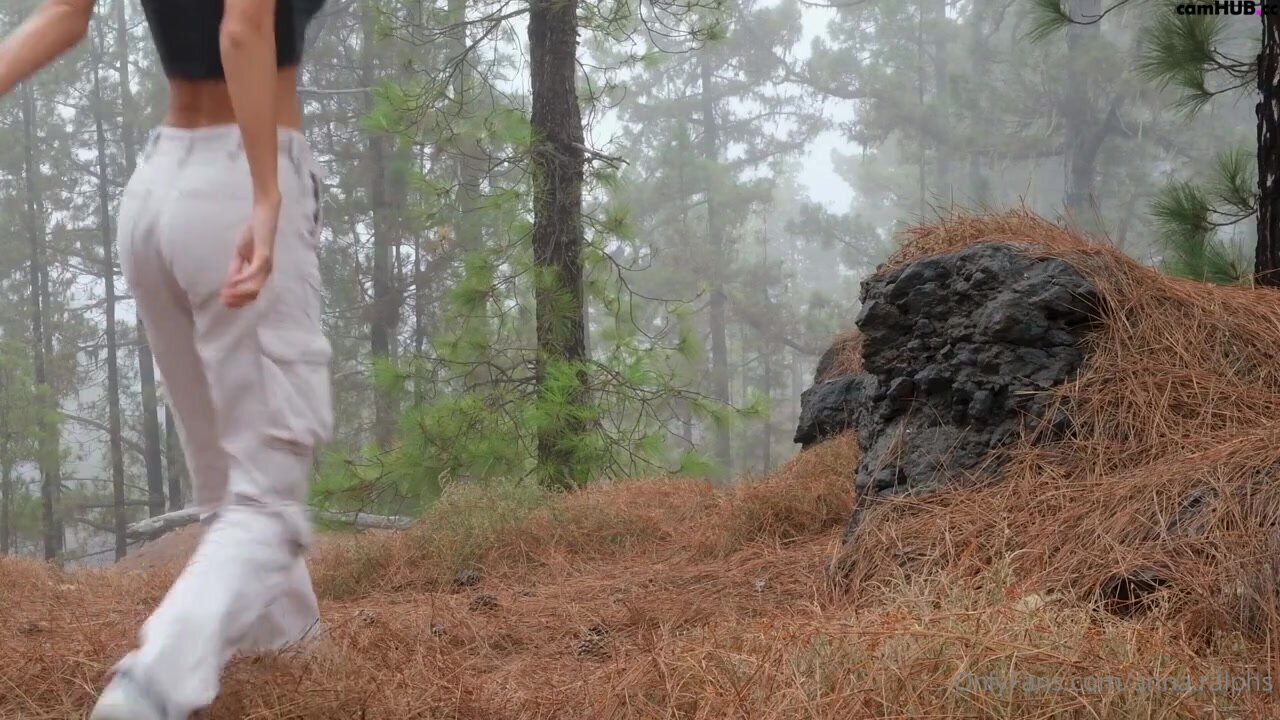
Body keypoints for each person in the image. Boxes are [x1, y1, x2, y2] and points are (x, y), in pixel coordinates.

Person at [0, 1, 334, 718]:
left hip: (156, 195)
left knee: (228, 486)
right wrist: (267, 194)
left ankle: (292, 661)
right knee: (268, 502)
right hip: (239, 189)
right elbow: (243, 29)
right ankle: (150, 689)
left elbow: (64, 14)